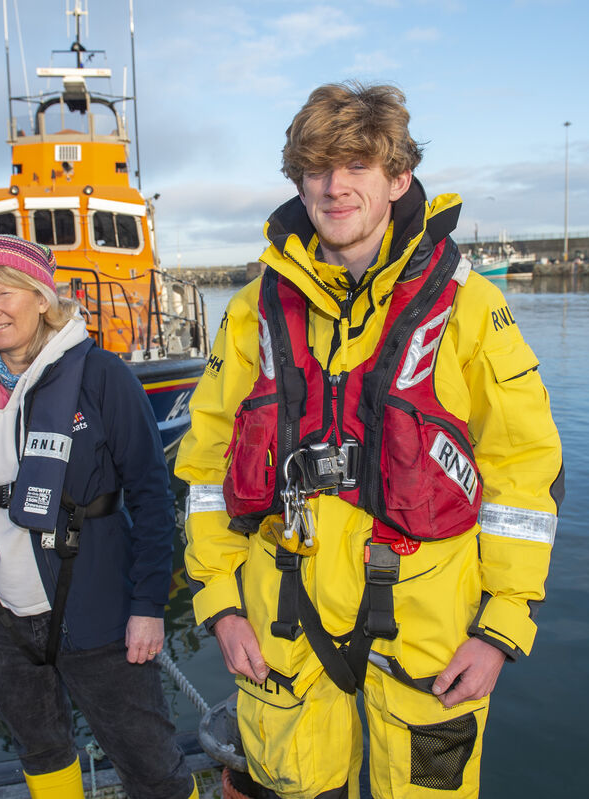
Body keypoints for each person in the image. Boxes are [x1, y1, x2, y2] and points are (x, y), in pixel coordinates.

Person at [175, 83, 564, 798]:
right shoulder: (250, 312)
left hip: (430, 630)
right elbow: (204, 471)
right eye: (318, 167)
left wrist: (502, 628)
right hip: (281, 619)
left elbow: (525, 473)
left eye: (358, 165)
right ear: (299, 181)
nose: (335, 185)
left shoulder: (469, 305)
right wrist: (219, 605)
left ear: (399, 178)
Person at [0, 234, 197, 799]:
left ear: (42, 297)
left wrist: (147, 607)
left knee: (151, 765)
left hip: (95, 612)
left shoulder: (101, 375)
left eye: (4, 292)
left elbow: (150, 495)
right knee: (40, 752)